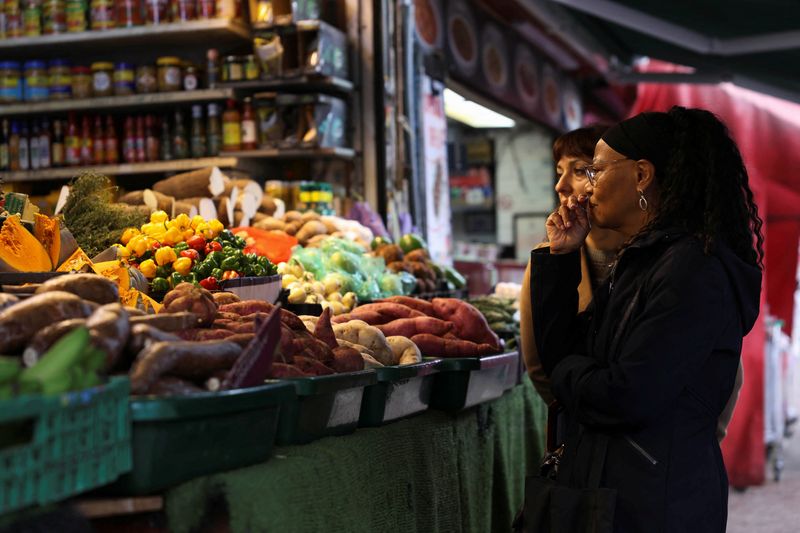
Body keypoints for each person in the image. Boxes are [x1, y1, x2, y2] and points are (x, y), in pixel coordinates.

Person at [530, 107, 762, 532]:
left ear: (641, 175)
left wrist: (569, 371)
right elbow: (565, 352)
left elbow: (627, 395)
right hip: (624, 494)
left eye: (596, 170)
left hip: (658, 504)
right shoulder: (644, 259)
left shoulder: (692, 270)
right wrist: (561, 257)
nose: (587, 186)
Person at [520, 125, 625, 411]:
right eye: (559, 171)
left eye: (580, 171)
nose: (560, 186)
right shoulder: (549, 258)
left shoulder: (657, 257)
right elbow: (540, 366)